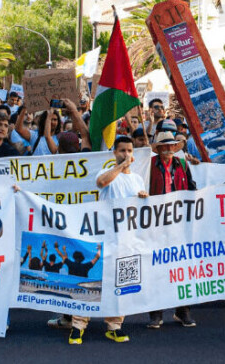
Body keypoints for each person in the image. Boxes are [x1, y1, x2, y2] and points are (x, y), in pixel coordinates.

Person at [67, 135, 148, 345]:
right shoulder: (108, 172)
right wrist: (120, 167)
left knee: (121, 282)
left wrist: (143, 197)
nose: (126, 154)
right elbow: (101, 182)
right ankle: (78, 326)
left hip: (126, 239)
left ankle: (114, 326)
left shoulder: (137, 179)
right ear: (115, 153)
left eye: (130, 151)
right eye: (122, 150)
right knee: (92, 281)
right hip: (104, 237)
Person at [146, 131, 197, 329]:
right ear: (158, 148)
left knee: (182, 268)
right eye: (164, 146)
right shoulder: (149, 165)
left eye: (171, 145)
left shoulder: (183, 164)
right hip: (156, 223)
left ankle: (183, 311)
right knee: (156, 267)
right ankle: (156, 313)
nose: (168, 149)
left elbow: (191, 188)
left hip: (179, 223)